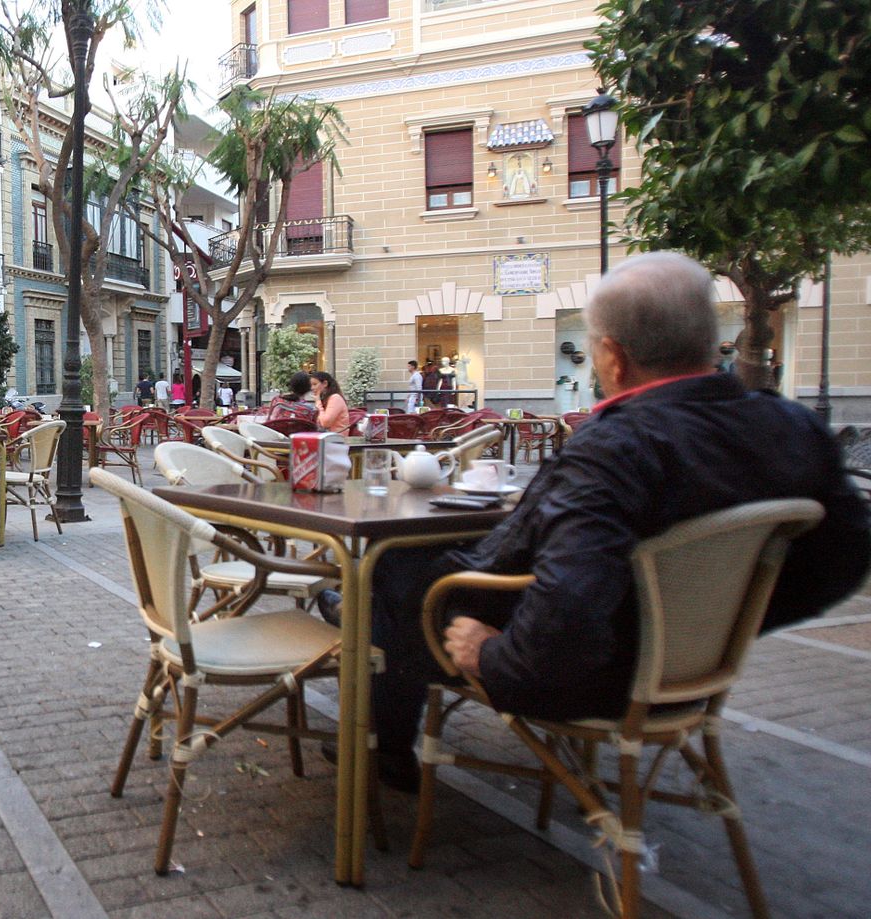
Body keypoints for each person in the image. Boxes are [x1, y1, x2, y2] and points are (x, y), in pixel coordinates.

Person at [333, 252, 871, 793]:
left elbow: (572, 599)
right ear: (710, 343)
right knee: (400, 575)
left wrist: (495, 659)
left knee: (387, 574)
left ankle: (381, 741)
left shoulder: (616, 448)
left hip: (594, 675)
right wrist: (720, 624)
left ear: (612, 357)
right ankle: (366, 661)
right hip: (690, 674)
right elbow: (845, 558)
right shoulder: (793, 427)